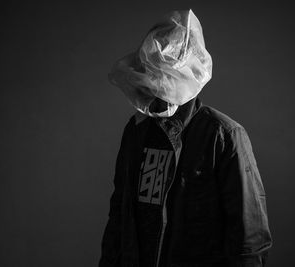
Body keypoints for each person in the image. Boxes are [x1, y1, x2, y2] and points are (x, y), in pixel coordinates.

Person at [99, 9, 272, 267]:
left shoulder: (223, 136)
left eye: (163, 79)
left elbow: (249, 238)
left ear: (187, 78)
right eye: (150, 77)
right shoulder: (136, 130)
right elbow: (120, 216)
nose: (153, 88)